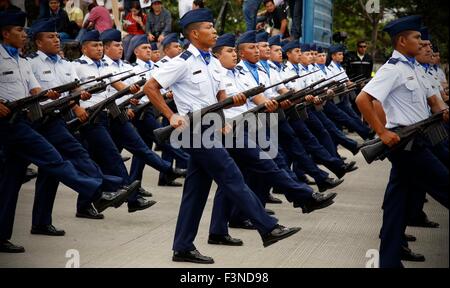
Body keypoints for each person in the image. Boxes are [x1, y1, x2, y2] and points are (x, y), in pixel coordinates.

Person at [143, 8, 301, 264]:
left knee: (195, 192)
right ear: (194, 33)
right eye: (209, 26)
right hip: (194, 132)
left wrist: (227, 108)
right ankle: (268, 227)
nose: (214, 30)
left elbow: (219, 96)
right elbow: (151, 87)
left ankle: (183, 246)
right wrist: (171, 116)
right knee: (232, 175)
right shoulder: (182, 62)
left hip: (212, 129)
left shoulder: (213, 63)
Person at [0, 11, 136, 253]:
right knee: (54, 158)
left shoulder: (21, 61)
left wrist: (54, 97)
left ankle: (18, 229)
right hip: (13, 123)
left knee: (12, 181)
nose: (23, 34)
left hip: (38, 117)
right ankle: (98, 190)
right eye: (19, 31)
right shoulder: (16, 59)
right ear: (4, 33)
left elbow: (35, 91)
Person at [356, 15, 449, 268]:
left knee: (397, 206)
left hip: (419, 139)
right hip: (407, 144)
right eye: (417, 37)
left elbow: (434, 101)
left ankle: (388, 262)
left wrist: (442, 110)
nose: (421, 42)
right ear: (402, 40)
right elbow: (363, 100)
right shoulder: (392, 69)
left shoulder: (415, 68)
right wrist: (382, 132)